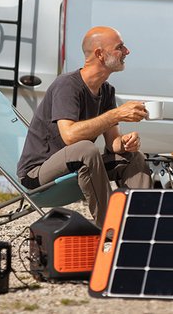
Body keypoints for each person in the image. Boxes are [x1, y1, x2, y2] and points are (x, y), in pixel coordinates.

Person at [17, 26, 152, 226]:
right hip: (38, 175)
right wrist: (116, 113)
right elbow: (70, 136)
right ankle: (110, 227)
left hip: (76, 166)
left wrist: (126, 143)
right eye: (120, 47)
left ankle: (143, 224)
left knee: (134, 157)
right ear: (100, 54)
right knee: (85, 149)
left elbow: (112, 144)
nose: (127, 52)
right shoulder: (67, 85)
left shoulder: (106, 91)